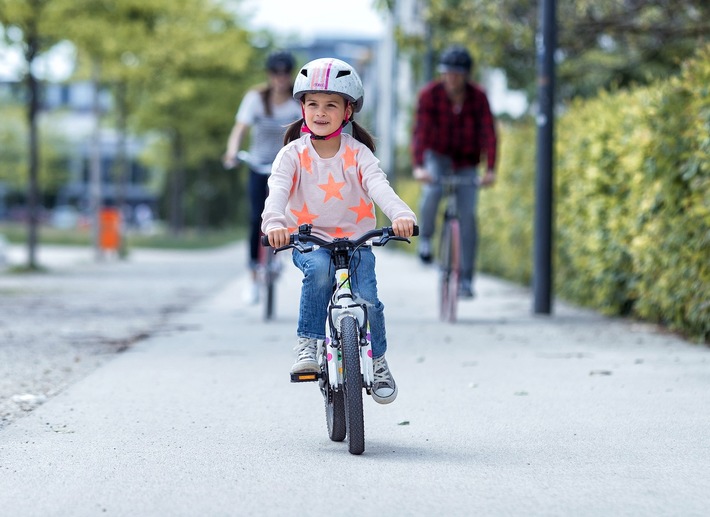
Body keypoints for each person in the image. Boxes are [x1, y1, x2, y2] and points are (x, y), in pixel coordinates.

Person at [262, 58, 416, 404]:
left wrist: (401, 214)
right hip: (308, 239)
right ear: (301, 107)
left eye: (331, 105)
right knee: (317, 271)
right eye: (312, 104)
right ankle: (309, 343)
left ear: (347, 112)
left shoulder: (358, 154)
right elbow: (277, 193)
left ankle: (377, 361)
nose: (320, 112)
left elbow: (380, 188)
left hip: (355, 242)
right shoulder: (292, 155)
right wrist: (274, 224)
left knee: (370, 302)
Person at [411, 45, 498, 298]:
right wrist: (419, 167)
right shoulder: (430, 95)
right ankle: (425, 239)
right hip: (437, 156)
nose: (452, 79)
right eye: (447, 73)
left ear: (467, 75)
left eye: (457, 74)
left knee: (468, 215)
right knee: (432, 190)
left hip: (467, 162)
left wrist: (490, 169)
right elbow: (420, 133)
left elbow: (488, 133)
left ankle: (467, 280)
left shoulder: (478, 97)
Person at [223, 50, 302, 303]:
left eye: (285, 73)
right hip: (258, 165)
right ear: (269, 75)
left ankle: (278, 258)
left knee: (287, 215)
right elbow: (240, 129)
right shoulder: (256, 98)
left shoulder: (297, 102)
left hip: (285, 168)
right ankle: (253, 278)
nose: (280, 78)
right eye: (275, 73)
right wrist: (232, 152)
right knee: (256, 218)